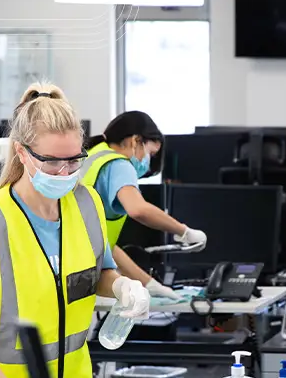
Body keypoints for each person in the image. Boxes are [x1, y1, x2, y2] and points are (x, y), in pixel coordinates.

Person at [0, 83, 150, 378]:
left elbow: (97, 274)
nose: (64, 172)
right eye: (52, 162)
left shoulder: (88, 205)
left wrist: (121, 287)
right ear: (22, 153)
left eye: (73, 161)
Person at [81, 111, 207, 299]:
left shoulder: (94, 155)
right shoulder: (119, 164)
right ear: (135, 141)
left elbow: (105, 245)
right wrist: (184, 231)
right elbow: (138, 209)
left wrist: (150, 284)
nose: (148, 163)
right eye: (151, 153)